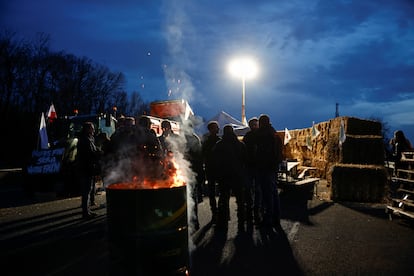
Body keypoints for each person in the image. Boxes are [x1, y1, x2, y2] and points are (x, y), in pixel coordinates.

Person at [213, 124, 247, 231]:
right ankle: (242, 219)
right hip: (238, 175)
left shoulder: (219, 145)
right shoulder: (240, 145)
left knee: (224, 198)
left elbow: (215, 162)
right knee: (240, 199)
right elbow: (245, 160)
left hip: (224, 176)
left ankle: (223, 220)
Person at [255, 114, 283, 232]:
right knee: (274, 193)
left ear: (261, 123)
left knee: (267, 195)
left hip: (265, 167)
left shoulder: (263, 134)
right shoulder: (275, 134)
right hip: (273, 167)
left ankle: (268, 219)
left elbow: (260, 152)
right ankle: (276, 217)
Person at [76, 122, 102, 219]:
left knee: (87, 190)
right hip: (85, 168)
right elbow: (91, 152)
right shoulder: (85, 140)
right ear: (87, 129)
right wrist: (99, 153)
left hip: (87, 167)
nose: (93, 130)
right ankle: (85, 213)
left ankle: (87, 211)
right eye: (92, 128)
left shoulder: (87, 139)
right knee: (86, 191)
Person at [183, 121, 204, 232]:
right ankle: (191, 221)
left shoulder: (194, 139)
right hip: (186, 172)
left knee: (191, 197)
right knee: (189, 198)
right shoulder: (185, 139)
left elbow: (199, 158)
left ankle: (193, 221)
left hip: (191, 172)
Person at [201, 120, 221, 223]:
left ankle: (215, 213)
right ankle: (219, 213)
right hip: (217, 169)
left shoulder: (206, 141)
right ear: (212, 129)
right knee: (220, 192)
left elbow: (203, 156)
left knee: (212, 193)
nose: (218, 129)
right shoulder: (218, 141)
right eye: (216, 127)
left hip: (210, 169)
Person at [242, 117, 260, 227]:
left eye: (255, 124)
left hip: (257, 167)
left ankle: (256, 211)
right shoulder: (248, 137)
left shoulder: (261, 136)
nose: (254, 126)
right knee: (249, 189)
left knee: (257, 190)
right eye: (252, 125)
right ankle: (250, 210)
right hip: (250, 167)